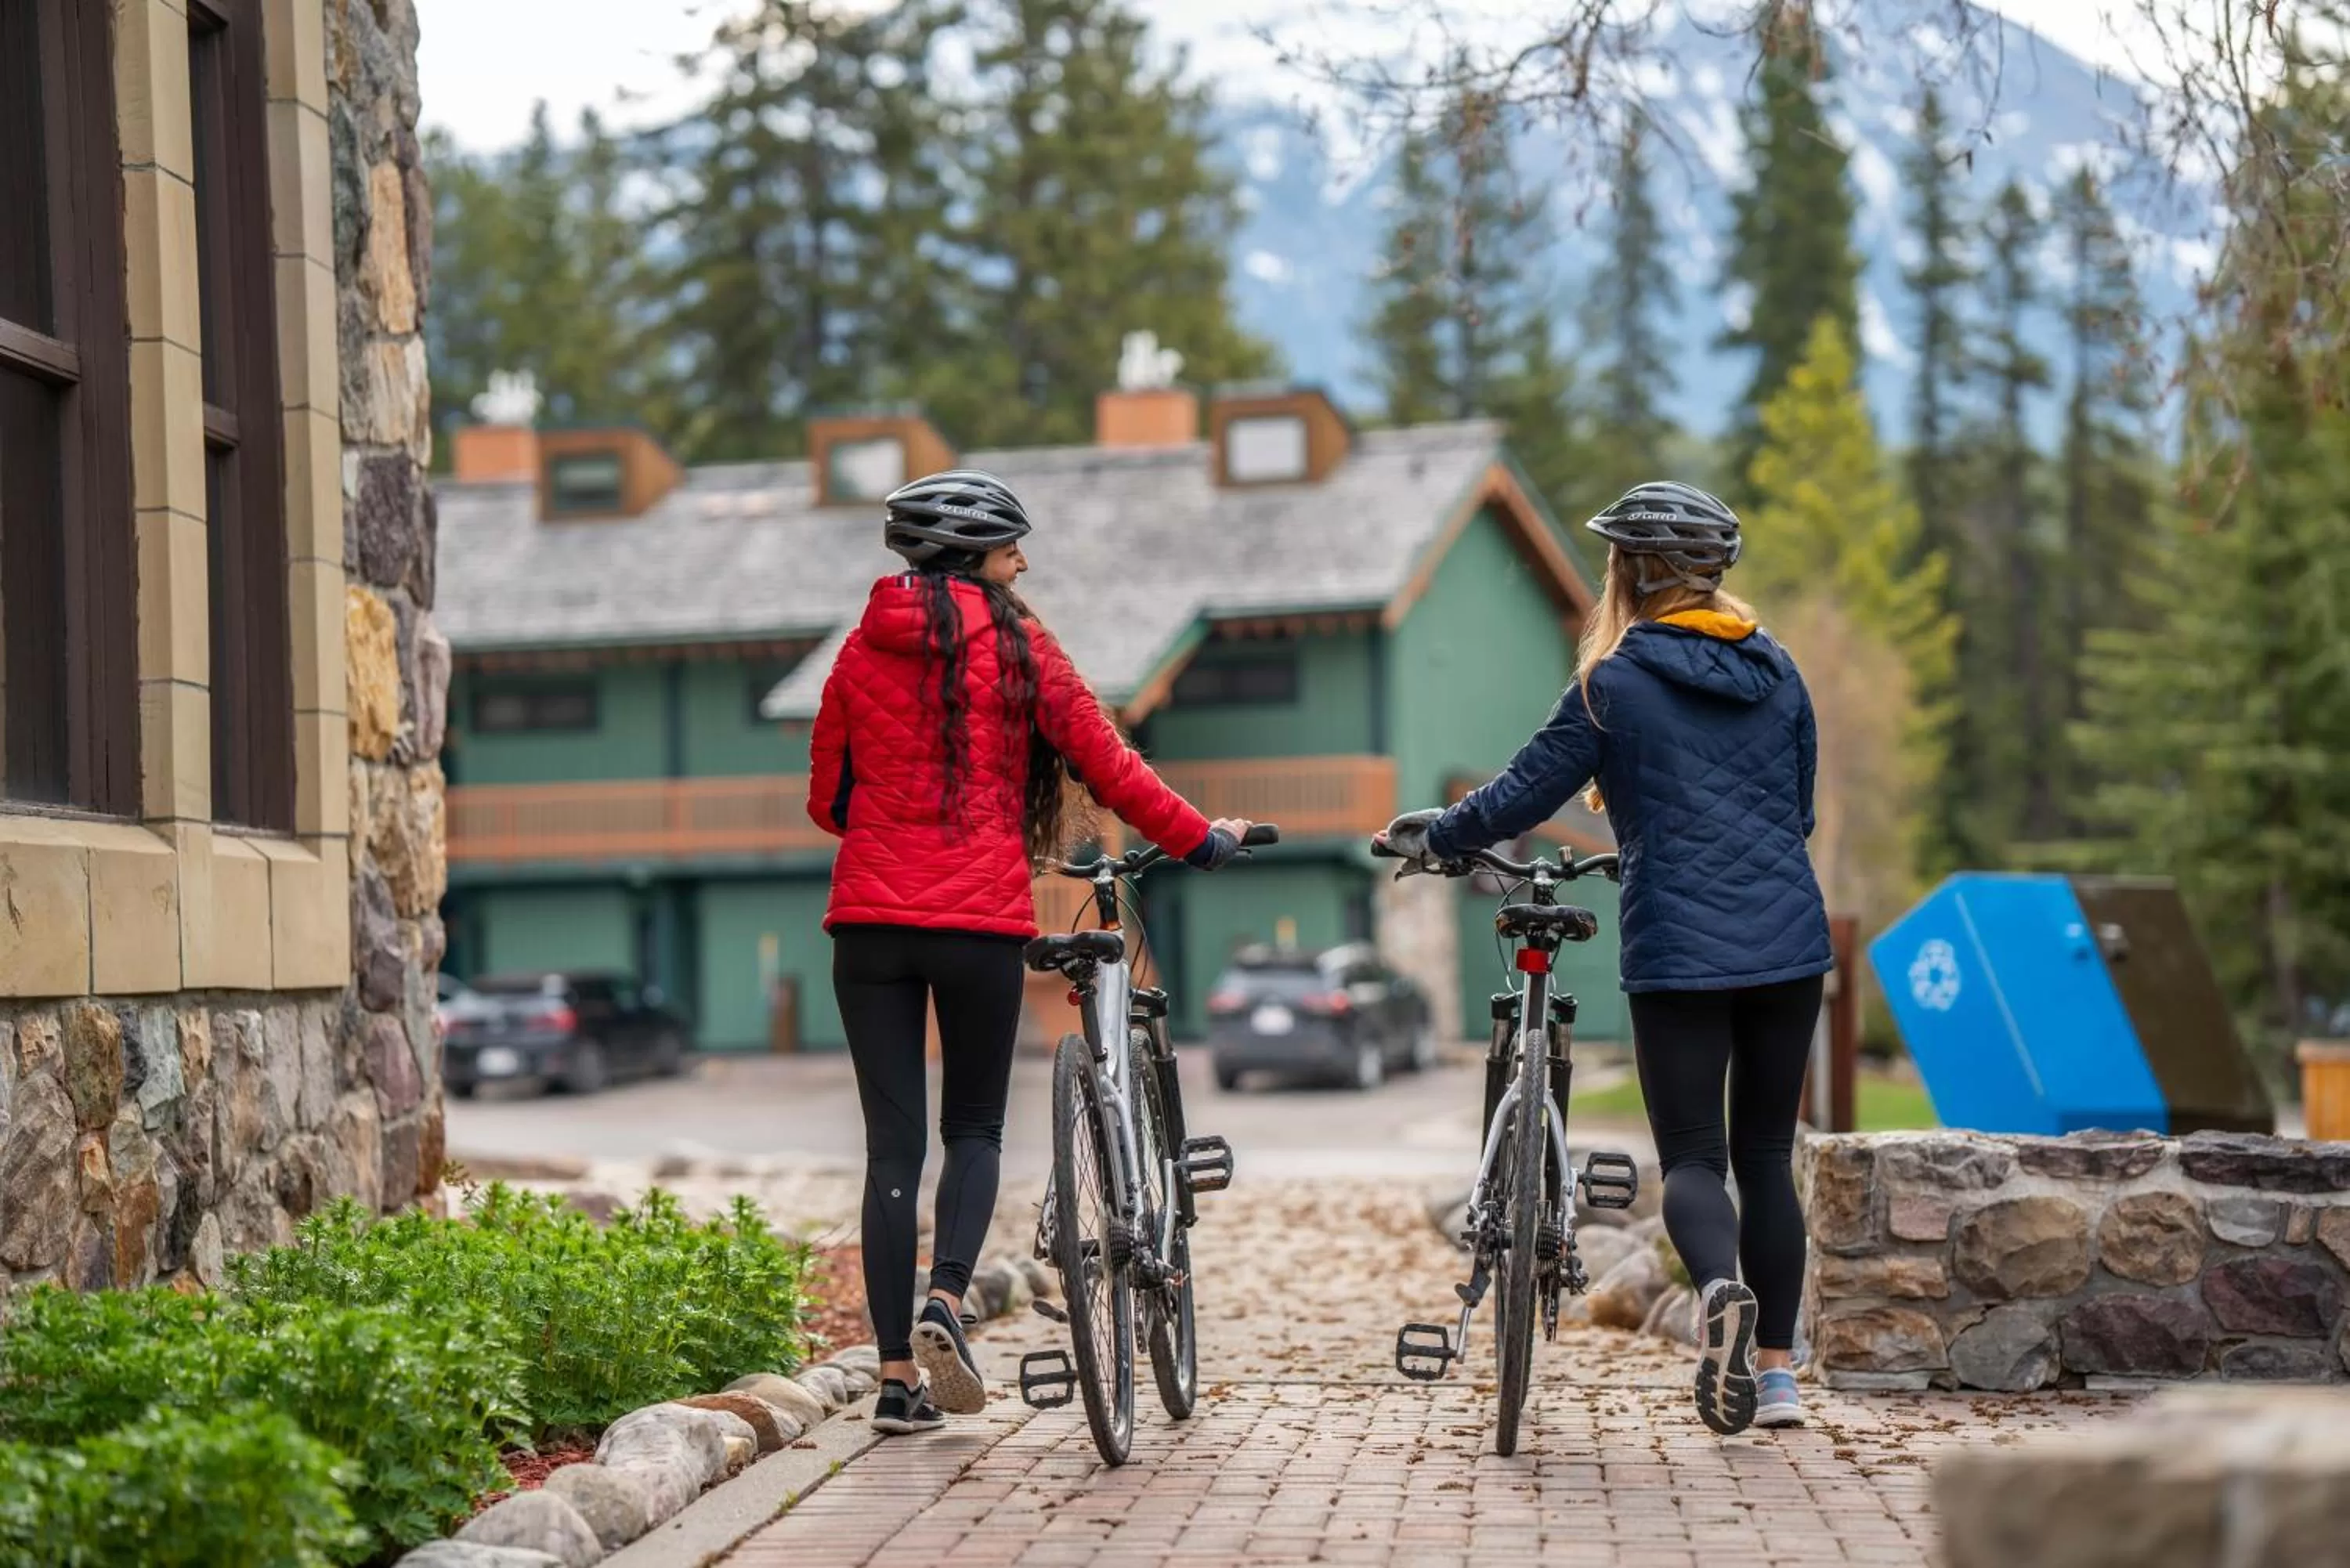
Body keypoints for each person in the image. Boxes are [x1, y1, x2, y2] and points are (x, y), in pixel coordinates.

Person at [1379, 480, 1831, 1437]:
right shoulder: (1779, 671)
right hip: (1790, 942)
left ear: (1631, 571)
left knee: (1697, 1158)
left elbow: (1520, 791)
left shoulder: (1614, 682)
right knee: (1764, 1156)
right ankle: (1782, 1377)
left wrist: (1443, 836)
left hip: (1682, 944)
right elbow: (1796, 813)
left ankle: (1717, 1293)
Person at [807, 468, 1252, 1436]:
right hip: (975, 925)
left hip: (871, 925)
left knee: (892, 1145)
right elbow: (1109, 763)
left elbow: (829, 803)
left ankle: (895, 1382)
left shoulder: (856, 652)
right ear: (976, 555)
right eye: (1014, 545)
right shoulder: (1020, 647)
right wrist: (1199, 840)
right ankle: (946, 1304)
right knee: (973, 1130)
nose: (1025, 560)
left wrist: (899, 816)